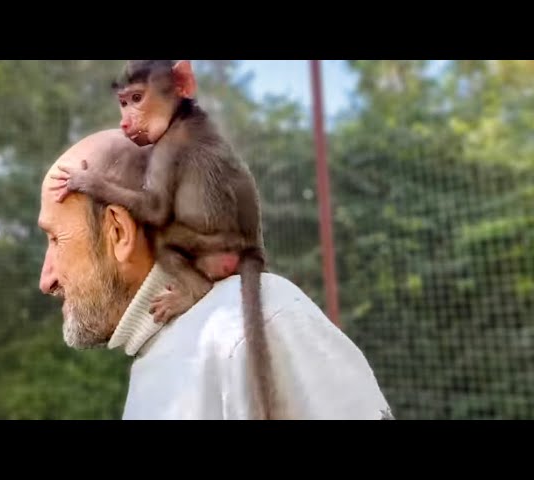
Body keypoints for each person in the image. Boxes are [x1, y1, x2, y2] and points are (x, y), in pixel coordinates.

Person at [38, 128, 394, 420]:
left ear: (118, 232)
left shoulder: (253, 324)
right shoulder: (158, 356)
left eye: (56, 239)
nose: (46, 278)